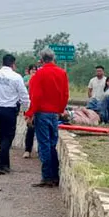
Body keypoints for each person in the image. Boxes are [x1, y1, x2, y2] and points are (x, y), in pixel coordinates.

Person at [25, 48, 69, 187]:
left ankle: (47, 177)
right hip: (54, 114)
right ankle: (55, 175)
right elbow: (65, 94)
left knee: (44, 144)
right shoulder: (62, 73)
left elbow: (35, 96)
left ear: (41, 60)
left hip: (42, 112)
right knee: (52, 144)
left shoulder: (39, 74)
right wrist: (60, 109)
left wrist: (30, 113)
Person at [22, 64, 38, 159]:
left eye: (35, 69)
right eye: (32, 69)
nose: (34, 71)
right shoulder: (27, 78)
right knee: (30, 128)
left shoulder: (40, 78)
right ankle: (27, 150)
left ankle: (40, 150)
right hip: (30, 104)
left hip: (40, 107)